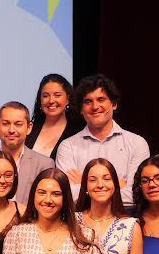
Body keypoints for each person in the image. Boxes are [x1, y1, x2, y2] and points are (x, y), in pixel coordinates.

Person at [54, 74, 150, 208]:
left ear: (114, 104)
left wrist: (84, 184)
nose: (95, 106)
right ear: (81, 109)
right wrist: (117, 186)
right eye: (88, 101)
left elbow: (136, 194)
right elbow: (67, 194)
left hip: (125, 220)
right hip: (81, 222)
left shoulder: (137, 144)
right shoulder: (68, 146)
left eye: (101, 99)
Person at [0, 102, 54, 206]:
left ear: (29, 128)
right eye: (6, 124)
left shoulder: (44, 165)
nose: (11, 130)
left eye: (18, 124)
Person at [27, 73, 82, 160]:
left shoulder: (78, 131)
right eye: (45, 96)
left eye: (57, 95)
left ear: (67, 99)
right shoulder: (29, 130)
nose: (51, 100)